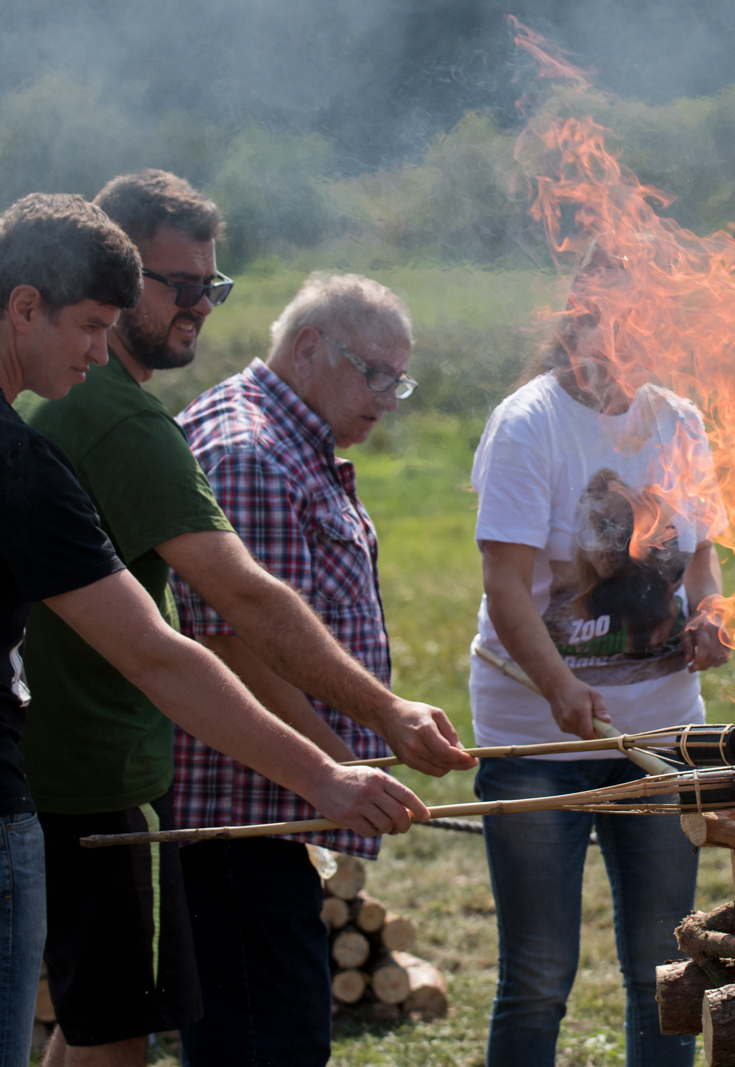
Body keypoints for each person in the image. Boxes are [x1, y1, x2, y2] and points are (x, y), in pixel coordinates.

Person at [17, 172, 473, 1067]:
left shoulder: (104, 408)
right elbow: (229, 614)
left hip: (110, 775)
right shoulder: (132, 422)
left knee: (99, 1026)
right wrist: (360, 742)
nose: (198, 306)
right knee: (148, 1041)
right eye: (176, 285)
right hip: (120, 783)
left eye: (211, 287)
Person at [469, 252, 730, 1067]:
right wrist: (559, 685)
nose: (625, 347)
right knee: (541, 973)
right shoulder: (528, 424)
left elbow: (703, 560)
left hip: (659, 735)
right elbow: (506, 587)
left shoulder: (680, 420)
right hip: (536, 739)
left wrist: (713, 615)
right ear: (577, 321)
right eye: (612, 326)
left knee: (665, 969)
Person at [166, 273, 426, 1063]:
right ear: (309, 347)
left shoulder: (287, 440)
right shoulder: (251, 453)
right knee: (267, 1044)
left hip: (267, 808)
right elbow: (240, 646)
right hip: (241, 817)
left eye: (399, 379)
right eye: (374, 372)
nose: (387, 396)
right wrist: (342, 765)